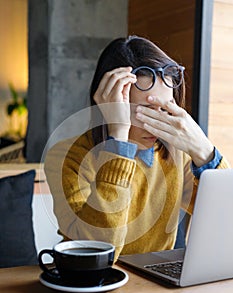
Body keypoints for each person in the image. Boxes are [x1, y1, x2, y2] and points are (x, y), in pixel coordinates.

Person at [44, 35, 229, 261]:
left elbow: (226, 219)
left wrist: (204, 150)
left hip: (155, 286)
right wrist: (119, 143)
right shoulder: (66, 157)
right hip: (91, 282)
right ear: (110, 105)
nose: (156, 123)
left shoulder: (176, 156)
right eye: (144, 110)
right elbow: (97, 253)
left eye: (165, 108)